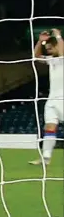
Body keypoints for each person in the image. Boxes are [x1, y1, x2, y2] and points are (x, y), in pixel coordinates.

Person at [29, 29, 63, 166]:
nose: (48, 50)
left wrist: (58, 35)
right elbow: (35, 57)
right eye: (47, 48)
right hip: (52, 101)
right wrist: (40, 41)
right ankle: (46, 158)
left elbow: (61, 51)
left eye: (50, 47)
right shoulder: (51, 61)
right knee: (49, 127)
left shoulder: (62, 59)